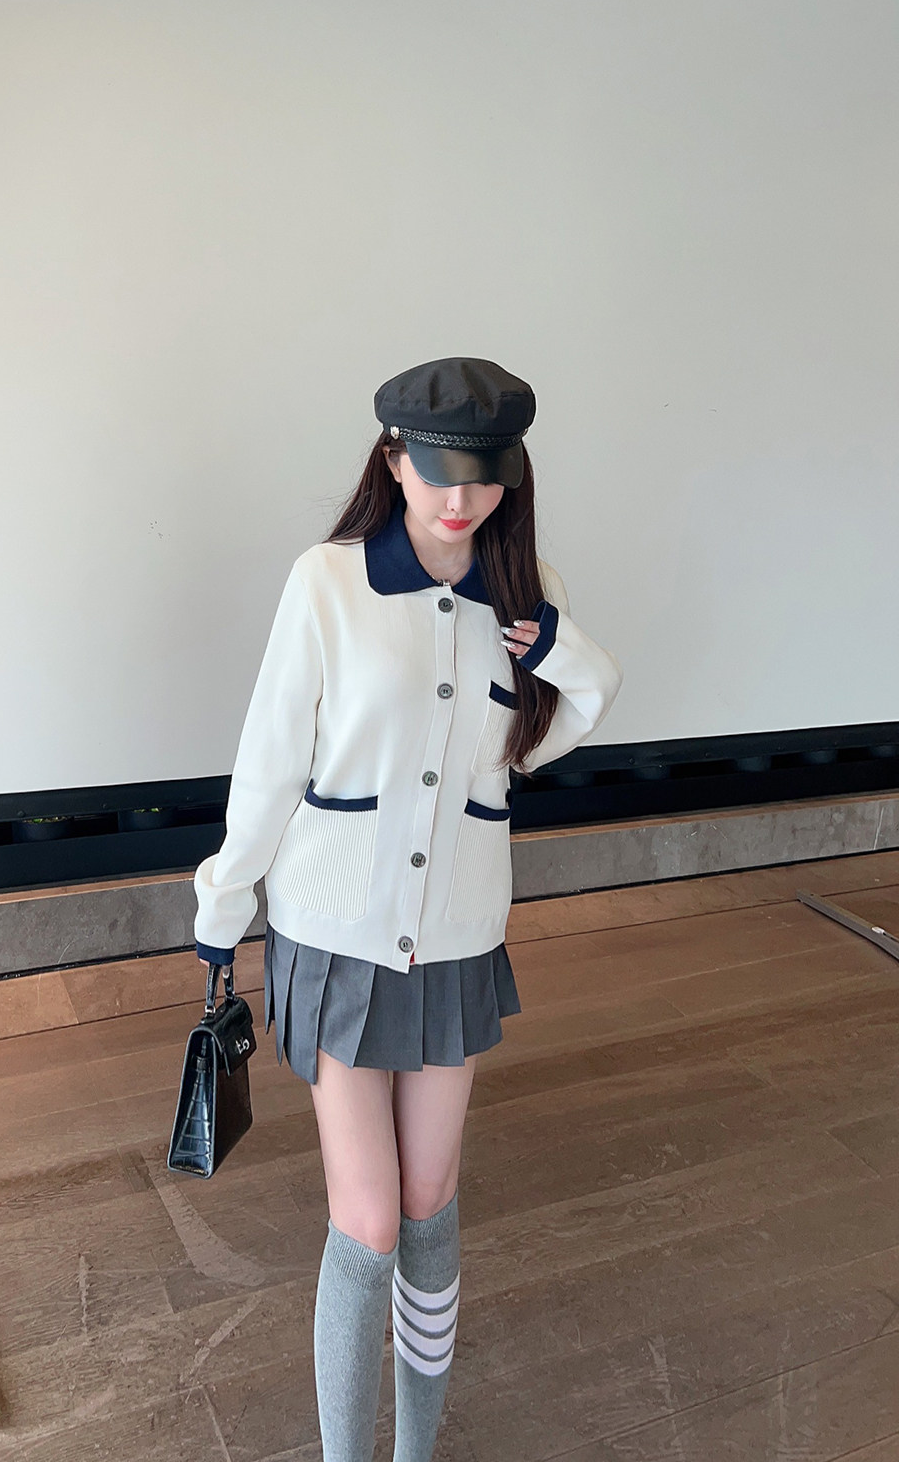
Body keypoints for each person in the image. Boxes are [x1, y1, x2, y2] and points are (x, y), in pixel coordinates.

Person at [192, 356, 623, 1462]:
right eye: (437, 471)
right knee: (370, 1219)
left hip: (459, 938)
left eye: (484, 474)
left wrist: (557, 647)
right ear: (393, 460)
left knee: (431, 1204)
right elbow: (271, 757)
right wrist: (224, 896)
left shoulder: (525, 592)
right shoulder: (327, 583)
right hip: (336, 936)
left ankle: (414, 1451)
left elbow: (558, 723)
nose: (459, 497)